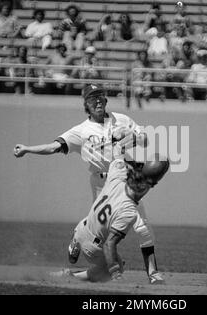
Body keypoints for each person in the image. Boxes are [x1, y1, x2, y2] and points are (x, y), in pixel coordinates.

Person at [13, 85, 164, 283]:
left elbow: (145, 140)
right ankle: (79, 239)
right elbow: (53, 147)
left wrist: (132, 136)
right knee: (100, 228)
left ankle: (153, 273)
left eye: (100, 97)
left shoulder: (121, 119)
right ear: (86, 104)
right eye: (93, 98)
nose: (98, 101)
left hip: (122, 179)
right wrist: (27, 149)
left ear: (106, 100)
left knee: (142, 226)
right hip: (100, 182)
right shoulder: (81, 131)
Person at [62, 154, 169, 283]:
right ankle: (73, 277)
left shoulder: (116, 177)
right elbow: (109, 244)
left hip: (81, 228)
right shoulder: (128, 211)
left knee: (95, 219)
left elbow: (118, 161)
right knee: (117, 264)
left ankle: (75, 241)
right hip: (92, 247)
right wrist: (116, 273)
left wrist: (140, 166)